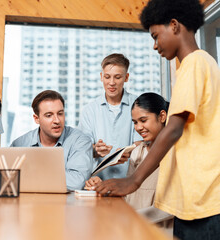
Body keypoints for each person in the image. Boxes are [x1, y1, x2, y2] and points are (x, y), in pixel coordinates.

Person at [95, 0, 220, 239]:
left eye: (155, 36)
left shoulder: (193, 63)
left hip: (202, 201)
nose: (155, 46)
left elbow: (173, 128)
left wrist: (133, 180)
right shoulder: (205, 63)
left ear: (174, 26)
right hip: (198, 199)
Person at [86, 93, 173, 229]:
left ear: (162, 116)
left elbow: (171, 206)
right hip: (132, 227)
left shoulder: (174, 154)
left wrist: (130, 217)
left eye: (143, 120)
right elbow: (129, 195)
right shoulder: (138, 152)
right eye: (135, 122)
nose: (138, 127)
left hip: (158, 231)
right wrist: (104, 188)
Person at [11, 90, 93, 190]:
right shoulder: (19, 144)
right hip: (30, 203)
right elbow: (10, 181)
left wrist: (31, 174)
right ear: (36, 119)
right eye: (49, 115)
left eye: (60, 114)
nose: (57, 120)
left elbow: (76, 182)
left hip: (67, 204)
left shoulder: (80, 141)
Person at [78, 53, 141, 180]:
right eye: (107, 77)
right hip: (98, 183)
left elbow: (141, 146)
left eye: (117, 77)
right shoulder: (89, 110)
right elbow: (81, 151)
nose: (111, 83)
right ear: (101, 77)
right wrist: (95, 150)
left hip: (129, 184)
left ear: (126, 77)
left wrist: (129, 154)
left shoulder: (138, 105)